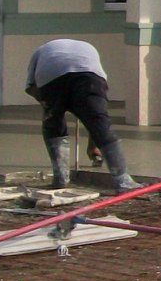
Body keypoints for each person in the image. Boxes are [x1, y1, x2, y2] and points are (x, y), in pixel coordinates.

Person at [25, 39, 136, 192]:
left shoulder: (41, 51)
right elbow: (95, 117)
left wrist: (50, 107)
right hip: (89, 77)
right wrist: (93, 145)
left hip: (51, 75)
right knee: (99, 123)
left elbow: (30, 86)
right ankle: (124, 181)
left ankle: (61, 178)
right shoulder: (88, 51)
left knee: (53, 124)